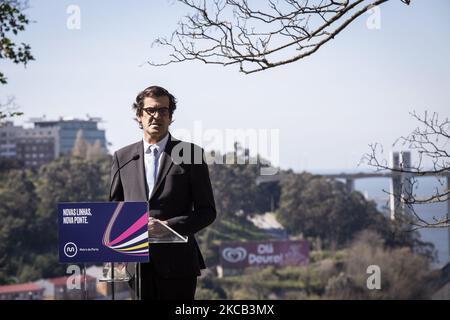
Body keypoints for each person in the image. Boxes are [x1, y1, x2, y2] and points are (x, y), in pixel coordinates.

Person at [109, 85, 216, 300]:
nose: (156, 116)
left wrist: (169, 226)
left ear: (170, 116)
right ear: (139, 115)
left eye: (163, 111)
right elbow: (115, 210)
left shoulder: (191, 154)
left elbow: (207, 211)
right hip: (136, 266)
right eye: (150, 110)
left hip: (178, 266)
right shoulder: (123, 157)